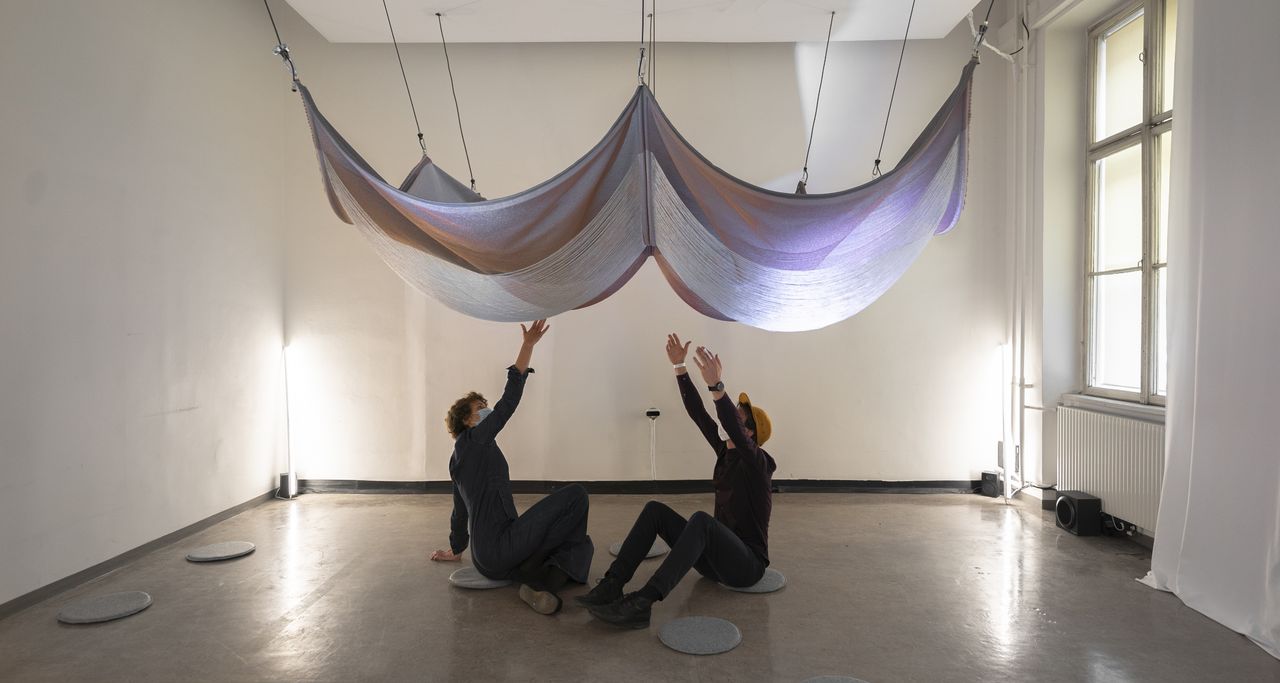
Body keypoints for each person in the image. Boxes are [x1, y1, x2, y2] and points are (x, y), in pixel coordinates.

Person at [578, 333, 777, 629]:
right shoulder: (726, 452)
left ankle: (643, 602)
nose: (734, 416)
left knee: (701, 521)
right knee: (655, 510)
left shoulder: (758, 464)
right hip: (715, 562)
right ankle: (612, 584)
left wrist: (717, 386)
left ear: (749, 433)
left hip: (747, 566)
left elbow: (729, 425)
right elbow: (698, 414)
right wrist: (680, 368)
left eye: (739, 417)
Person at [430, 320, 594, 615]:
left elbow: (460, 511)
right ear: (466, 421)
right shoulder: (475, 440)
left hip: (487, 556)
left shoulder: (459, 458)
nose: (486, 410)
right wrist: (527, 347)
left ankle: (541, 586)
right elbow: (508, 404)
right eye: (480, 408)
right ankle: (538, 576)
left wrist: (456, 550)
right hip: (500, 546)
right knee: (577, 496)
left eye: (485, 404)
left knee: (582, 543)